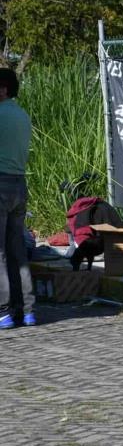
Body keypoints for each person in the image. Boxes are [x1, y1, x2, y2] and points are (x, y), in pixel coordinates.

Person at [0, 68, 36, 328]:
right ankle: (27, 309)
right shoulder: (22, 115)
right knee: (17, 250)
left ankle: (3, 311)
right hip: (19, 184)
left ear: (2, 89)